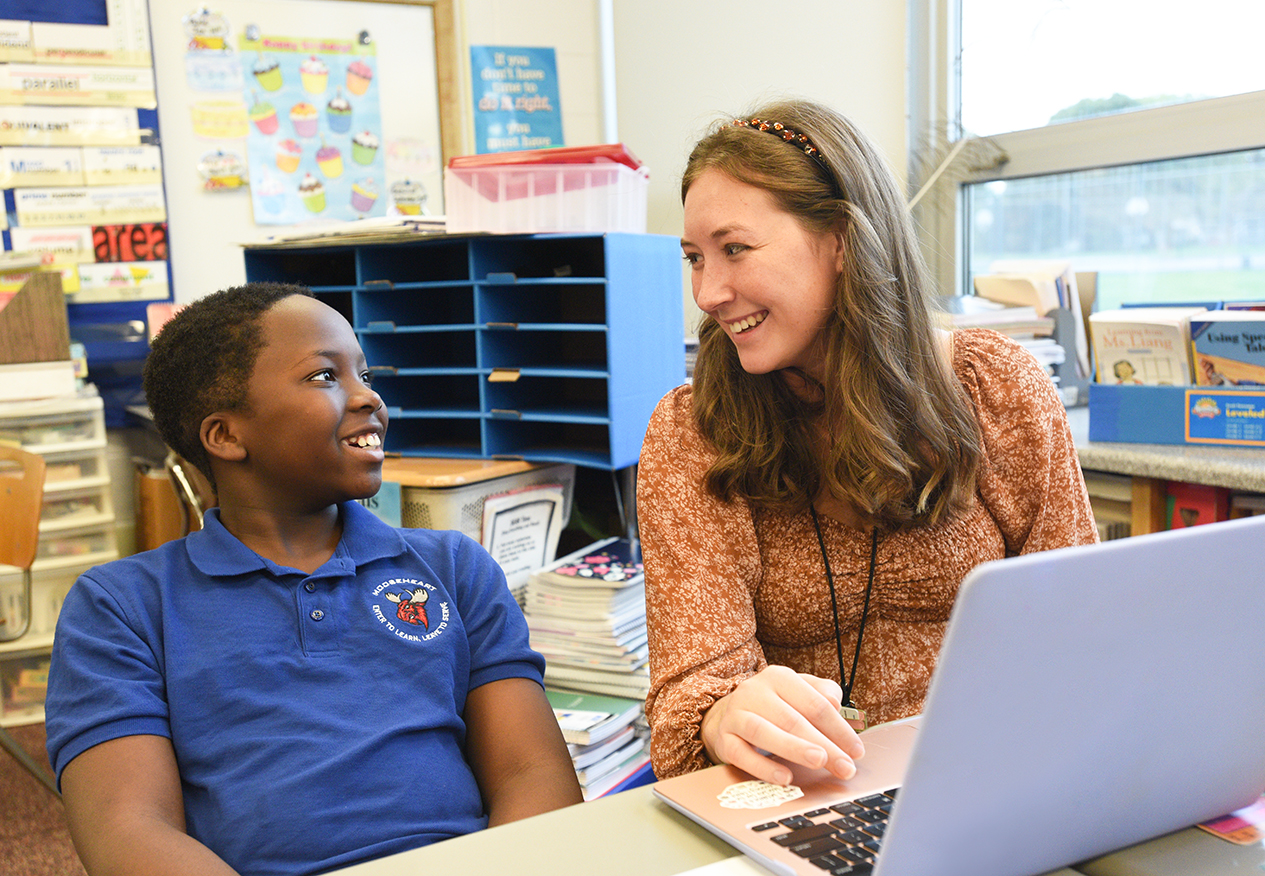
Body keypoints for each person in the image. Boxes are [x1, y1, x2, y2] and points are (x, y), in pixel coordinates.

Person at [44, 283, 582, 876]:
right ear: (224, 435)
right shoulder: (121, 607)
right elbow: (128, 830)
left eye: (364, 373)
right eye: (325, 377)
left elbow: (534, 775)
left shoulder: (454, 568)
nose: (368, 398)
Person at [637, 98, 1098, 786]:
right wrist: (723, 714)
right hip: (802, 791)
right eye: (694, 259)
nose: (707, 291)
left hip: (999, 769)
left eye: (734, 249)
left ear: (843, 241)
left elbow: (1083, 625)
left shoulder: (997, 390)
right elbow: (685, 699)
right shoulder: (693, 431)